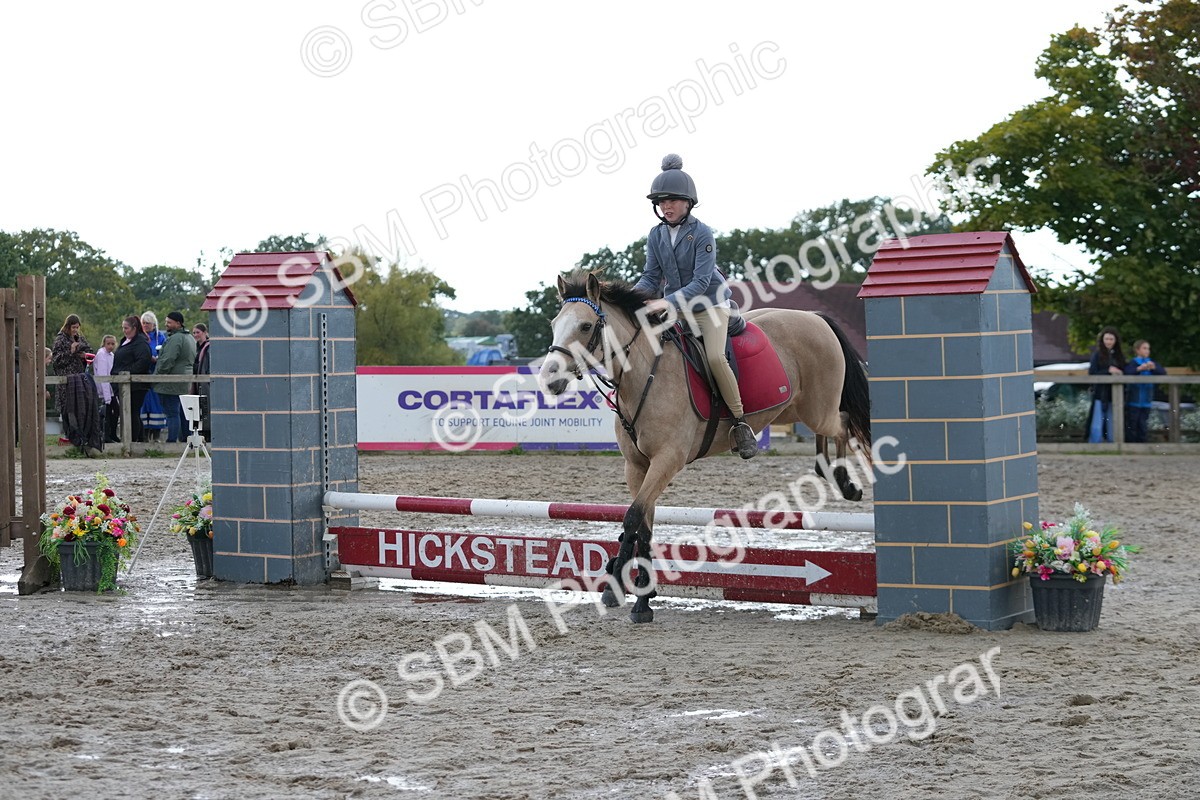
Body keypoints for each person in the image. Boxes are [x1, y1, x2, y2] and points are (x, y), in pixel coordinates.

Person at [632, 154, 757, 459]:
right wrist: (629, 300)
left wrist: (664, 301)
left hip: (710, 305)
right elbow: (651, 276)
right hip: (676, 307)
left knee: (715, 357)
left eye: (672, 200)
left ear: (688, 202)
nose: (666, 206)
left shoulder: (702, 234)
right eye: (662, 201)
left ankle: (740, 423)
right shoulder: (656, 234)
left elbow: (701, 283)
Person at [154, 311, 198, 443]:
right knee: (183, 412)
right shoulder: (190, 337)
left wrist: (157, 376)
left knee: (172, 412)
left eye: (169, 322)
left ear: (178, 323)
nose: (166, 324)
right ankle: (186, 439)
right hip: (184, 380)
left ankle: (171, 441)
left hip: (171, 381)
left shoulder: (176, 338)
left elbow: (167, 360)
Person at [50, 314, 93, 446]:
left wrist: (83, 354)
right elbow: (56, 361)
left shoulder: (79, 337)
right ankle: (69, 436)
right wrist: (71, 351)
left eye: (77, 327)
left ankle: (80, 436)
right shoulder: (60, 340)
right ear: (68, 326)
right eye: (73, 327)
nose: (75, 330)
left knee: (80, 408)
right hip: (66, 380)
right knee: (68, 409)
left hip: (79, 378)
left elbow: (89, 349)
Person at [112, 315, 154, 443]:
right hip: (123, 382)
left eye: (126, 328)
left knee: (132, 412)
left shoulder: (140, 343)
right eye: (123, 328)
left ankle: (134, 440)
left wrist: (127, 373)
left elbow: (143, 361)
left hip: (135, 385)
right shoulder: (126, 341)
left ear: (134, 328)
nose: (124, 330)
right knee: (130, 412)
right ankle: (138, 439)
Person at [1086, 326, 1126, 443]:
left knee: (1112, 421)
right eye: (1106, 339)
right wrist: (1108, 370)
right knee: (1097, 421)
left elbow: (1125, 369)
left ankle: (1113, 442)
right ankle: (1095, 443)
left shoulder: (1119, 356)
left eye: (1111, 339)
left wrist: (1119, 372)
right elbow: (1092, 372)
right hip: (1100, 393)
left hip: (1115, 394)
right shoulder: (1097, 355)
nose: (1108, 342)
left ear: (1115, 341)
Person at [1123, 339, 1166, 443]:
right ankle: (1131, 445)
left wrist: (1153, 368)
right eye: (1144, 348)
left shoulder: (1151, 362)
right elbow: (1127, 372)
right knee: (1132, 424)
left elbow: (1163, 372)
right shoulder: (1133, 363)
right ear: (1137, 350)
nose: (1147, 351)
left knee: (1143, 424)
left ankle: (1142, 444)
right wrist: (1139, 369)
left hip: (1147, 401)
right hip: (1133, 400)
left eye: (1148, 348)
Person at [139, 311, 168, 440]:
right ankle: (144, 433)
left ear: (154, 324)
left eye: (148, 323)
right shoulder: (139, 336)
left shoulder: (160, 337)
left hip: (156, 374)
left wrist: (158, 358)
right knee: (144, 404)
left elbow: (165, 352)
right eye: (143, 323)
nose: (145, 325)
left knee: (157, 404)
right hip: (143, 374)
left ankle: (156, 434)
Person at [92, 334, 120, 443]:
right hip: (105, 388)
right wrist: (106, 395)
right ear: (104, 344)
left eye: (113, 344)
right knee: (108, 412)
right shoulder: (101, 355)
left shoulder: (111, 355)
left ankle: (112, 433)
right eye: (108, 343)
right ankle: (107, 435)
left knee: (115, 411)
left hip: (111, 388)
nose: (110, 346)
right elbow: (103, 374)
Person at [192, 323, 212, 440]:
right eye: (194, 333)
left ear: (205, 333)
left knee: (206, 411)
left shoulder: (208, 348)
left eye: (198, 332)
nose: (195, 335)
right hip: (199, 384)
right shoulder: (199, 348)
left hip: (205, 384)